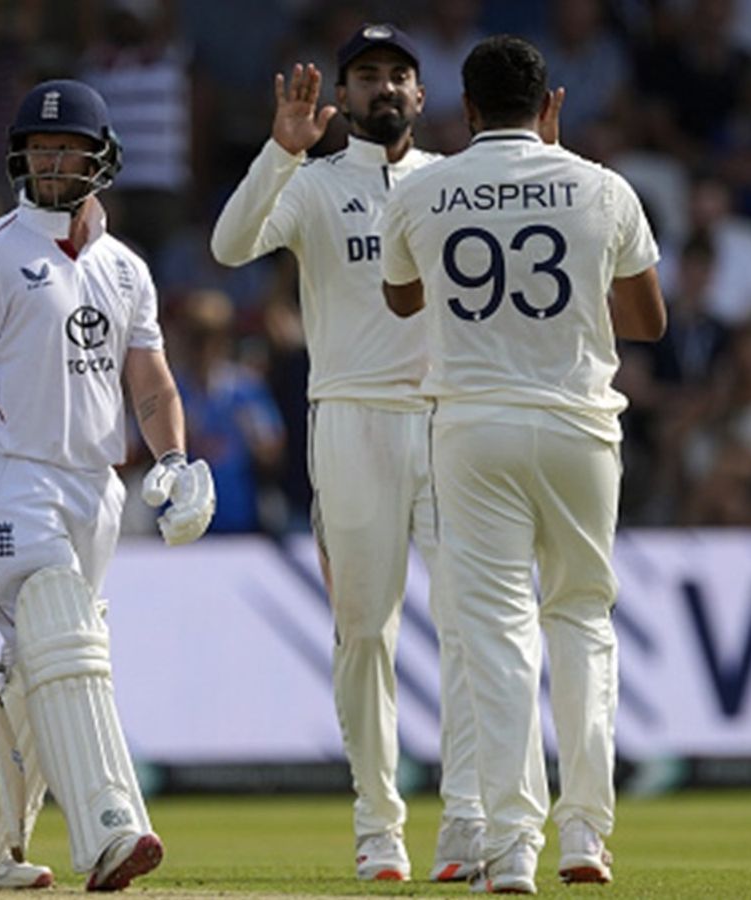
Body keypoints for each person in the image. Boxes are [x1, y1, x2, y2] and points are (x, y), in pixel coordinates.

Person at [0, 78, 215, 891]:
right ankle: (110, 829)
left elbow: (153, 385)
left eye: (68, 149)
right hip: (8, 473)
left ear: (102, 159)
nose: (53, 162)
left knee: (38, 674)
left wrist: (172, 459)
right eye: (39, 148)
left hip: (94, 486)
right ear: (18, 157)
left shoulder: (127, 269)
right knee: (65, 635)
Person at [379, 35, 665, 894]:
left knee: (497, 636)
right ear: (554, 106)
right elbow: (647, 320)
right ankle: (585, 835)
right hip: (578, 425)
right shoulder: (603, 186)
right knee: (580, 620)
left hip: (471, 429)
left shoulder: (424, 188)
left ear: (463, 112)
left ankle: (510, 847)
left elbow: (400, 297)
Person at [210, 23, 484, 882]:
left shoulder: (452, 182)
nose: (384, 89)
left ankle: (470, 818)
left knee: (473, 627)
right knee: (365, 631)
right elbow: (229, 246)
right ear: (343, 96)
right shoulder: (314, 183)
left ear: (423, 93)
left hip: (446, 421)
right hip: (350, 421)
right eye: (366, 77)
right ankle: (379, 823)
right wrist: (278, 153)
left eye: (398, 75)